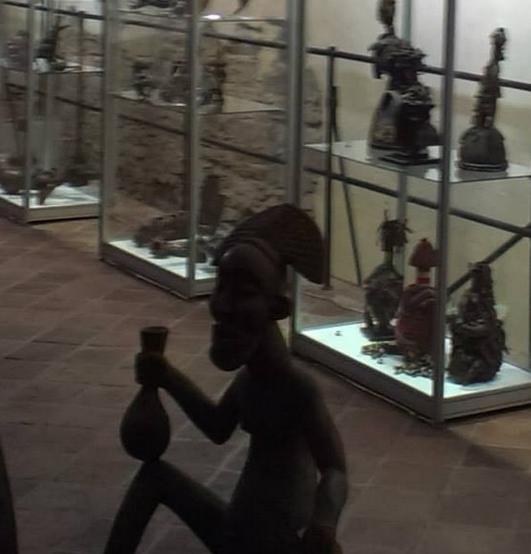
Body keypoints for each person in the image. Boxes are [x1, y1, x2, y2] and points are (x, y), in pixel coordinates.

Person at [105, 203, 348, 554]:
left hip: (279, 543)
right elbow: (218, 427)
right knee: (152, 479)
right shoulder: (253, 378)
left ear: (276, 309)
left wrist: (323, 524)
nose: (223, 305)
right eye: (222, 287)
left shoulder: (297, 388)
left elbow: (335, 469)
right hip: (241, 530)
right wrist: (167, 377)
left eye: (244, 293)